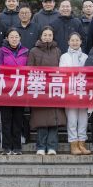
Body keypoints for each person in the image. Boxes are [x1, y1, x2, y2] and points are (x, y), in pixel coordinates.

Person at [27, 26, 66, 155]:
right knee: (41, 120)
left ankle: (52, 146)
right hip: (40, 89)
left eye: (50, 35)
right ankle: (40, 146)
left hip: (55, 88)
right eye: (45, 35)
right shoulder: (33, 51)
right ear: (41, 36)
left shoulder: (57, 51)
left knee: (54, 120)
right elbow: (29, 70)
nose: (47, 37)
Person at [0, 28, 29, 155]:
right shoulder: (2, 51)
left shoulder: (25, 51)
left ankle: (17, 147)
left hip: (20, 90)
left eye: (16, 37)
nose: (14, 39)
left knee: (18, 119)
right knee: (6, 119)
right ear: (7, 38)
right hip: (6, 89)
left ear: (20, 38)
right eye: (11, 37)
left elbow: (28, 70)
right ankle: (6, 147)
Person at [59, 32, 91, 155]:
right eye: (72, 40)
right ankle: (73, 144)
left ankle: (82, 143)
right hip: (70, 91)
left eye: (77, 40)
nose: (75, 42)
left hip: (83, 92)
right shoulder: (64, 56)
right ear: (68, 42)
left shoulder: (85, 57)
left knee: (83, 119)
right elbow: (62, 73)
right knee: (72, 119)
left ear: (81, 42)